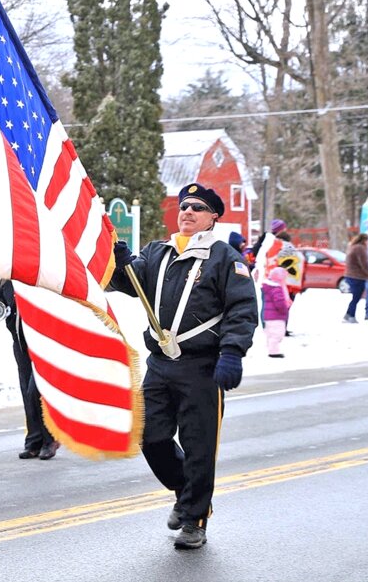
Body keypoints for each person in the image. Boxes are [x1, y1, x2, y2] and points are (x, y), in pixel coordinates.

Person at [109, 183, 257, 550]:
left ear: (213, 218)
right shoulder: (158, 252)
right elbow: (130, 283)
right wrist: (117, 261)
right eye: (184, 206)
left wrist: (232, 353)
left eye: (198, 208)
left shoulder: (225, 258)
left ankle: (194, 520)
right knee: (151, 436)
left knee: (199, 446)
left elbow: (242, 310)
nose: (188, 212)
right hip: (161, 364)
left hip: (202, 366)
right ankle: (184, 490)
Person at [0, 279, 60, 461]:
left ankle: (51, 439)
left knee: (36, 390)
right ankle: (34, 441)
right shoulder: (6, 280)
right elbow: (2, 303)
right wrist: (8, 321)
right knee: (26, 390)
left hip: (44, 340)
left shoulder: (40, 274)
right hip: (21, 341)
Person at [262, 267, 292, 358]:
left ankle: (271, 349)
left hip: (269, 316)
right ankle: (273, 352)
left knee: (271, 334)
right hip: (276, 316)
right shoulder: (276, 288)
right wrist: (285, 309)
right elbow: (279, 303)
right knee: (277, 334)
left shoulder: (270, 287)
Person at [343, 233, 368, 323]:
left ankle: (348, 314)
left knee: (356, 296)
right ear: (364, 240)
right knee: (356, 297)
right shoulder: (360, 248)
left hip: (351, 275)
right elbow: (364, 263)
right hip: (357, 276)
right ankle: (351, 315)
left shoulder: (354, 246)